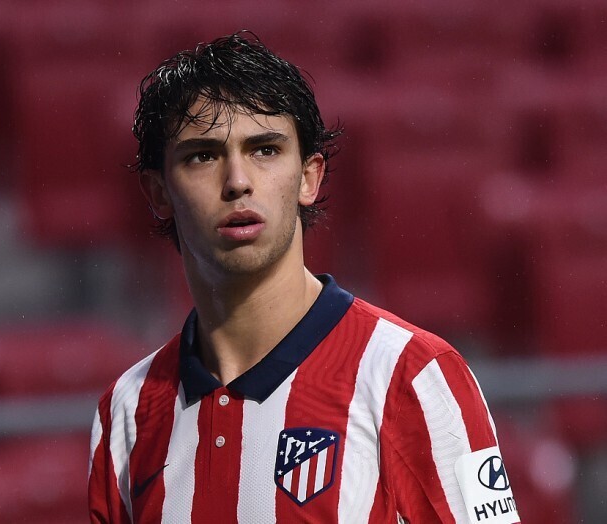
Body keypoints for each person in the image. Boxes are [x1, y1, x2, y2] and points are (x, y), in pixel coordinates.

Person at [88, 32, 519, 524]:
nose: (238, 181)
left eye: (265, 150)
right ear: (158, 192)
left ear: (309, 177)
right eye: (202, 155)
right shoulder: (126, 411)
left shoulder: (411, 376)